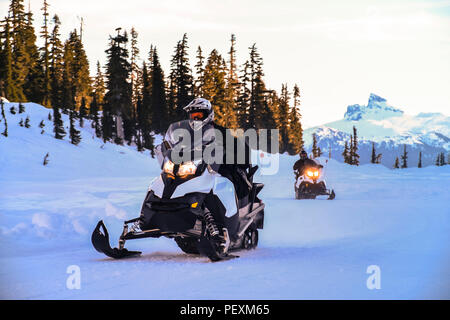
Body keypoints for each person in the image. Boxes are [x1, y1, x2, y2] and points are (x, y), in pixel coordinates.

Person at [183, 98, 252, 199]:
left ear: (208, 114)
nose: (195, 119)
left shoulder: (223, 132)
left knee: (223, 181)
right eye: (193, 116)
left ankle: (227, 212)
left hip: (220, 172)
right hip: (196, 172)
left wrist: (226, 156)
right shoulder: (189, 136)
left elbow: (243, 150)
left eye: (199, 115)